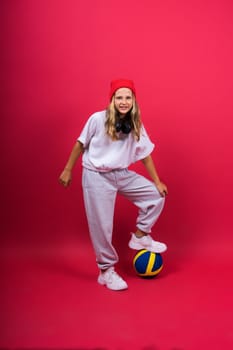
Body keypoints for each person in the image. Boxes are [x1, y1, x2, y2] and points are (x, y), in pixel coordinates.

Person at [59, 79, 168, 291]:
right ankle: (106, 271)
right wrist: (68, 169)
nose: (124, 101)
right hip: (96, 175)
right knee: (102, 225)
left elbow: (145, 155)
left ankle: (140, 236)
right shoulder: (97, 119)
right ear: (112, 99)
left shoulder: (136, 123)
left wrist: (157, 181)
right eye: (119, 97)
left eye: (128, 97)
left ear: (134, 100)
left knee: (156, 195)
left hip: (121, 173)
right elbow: (80, 144)